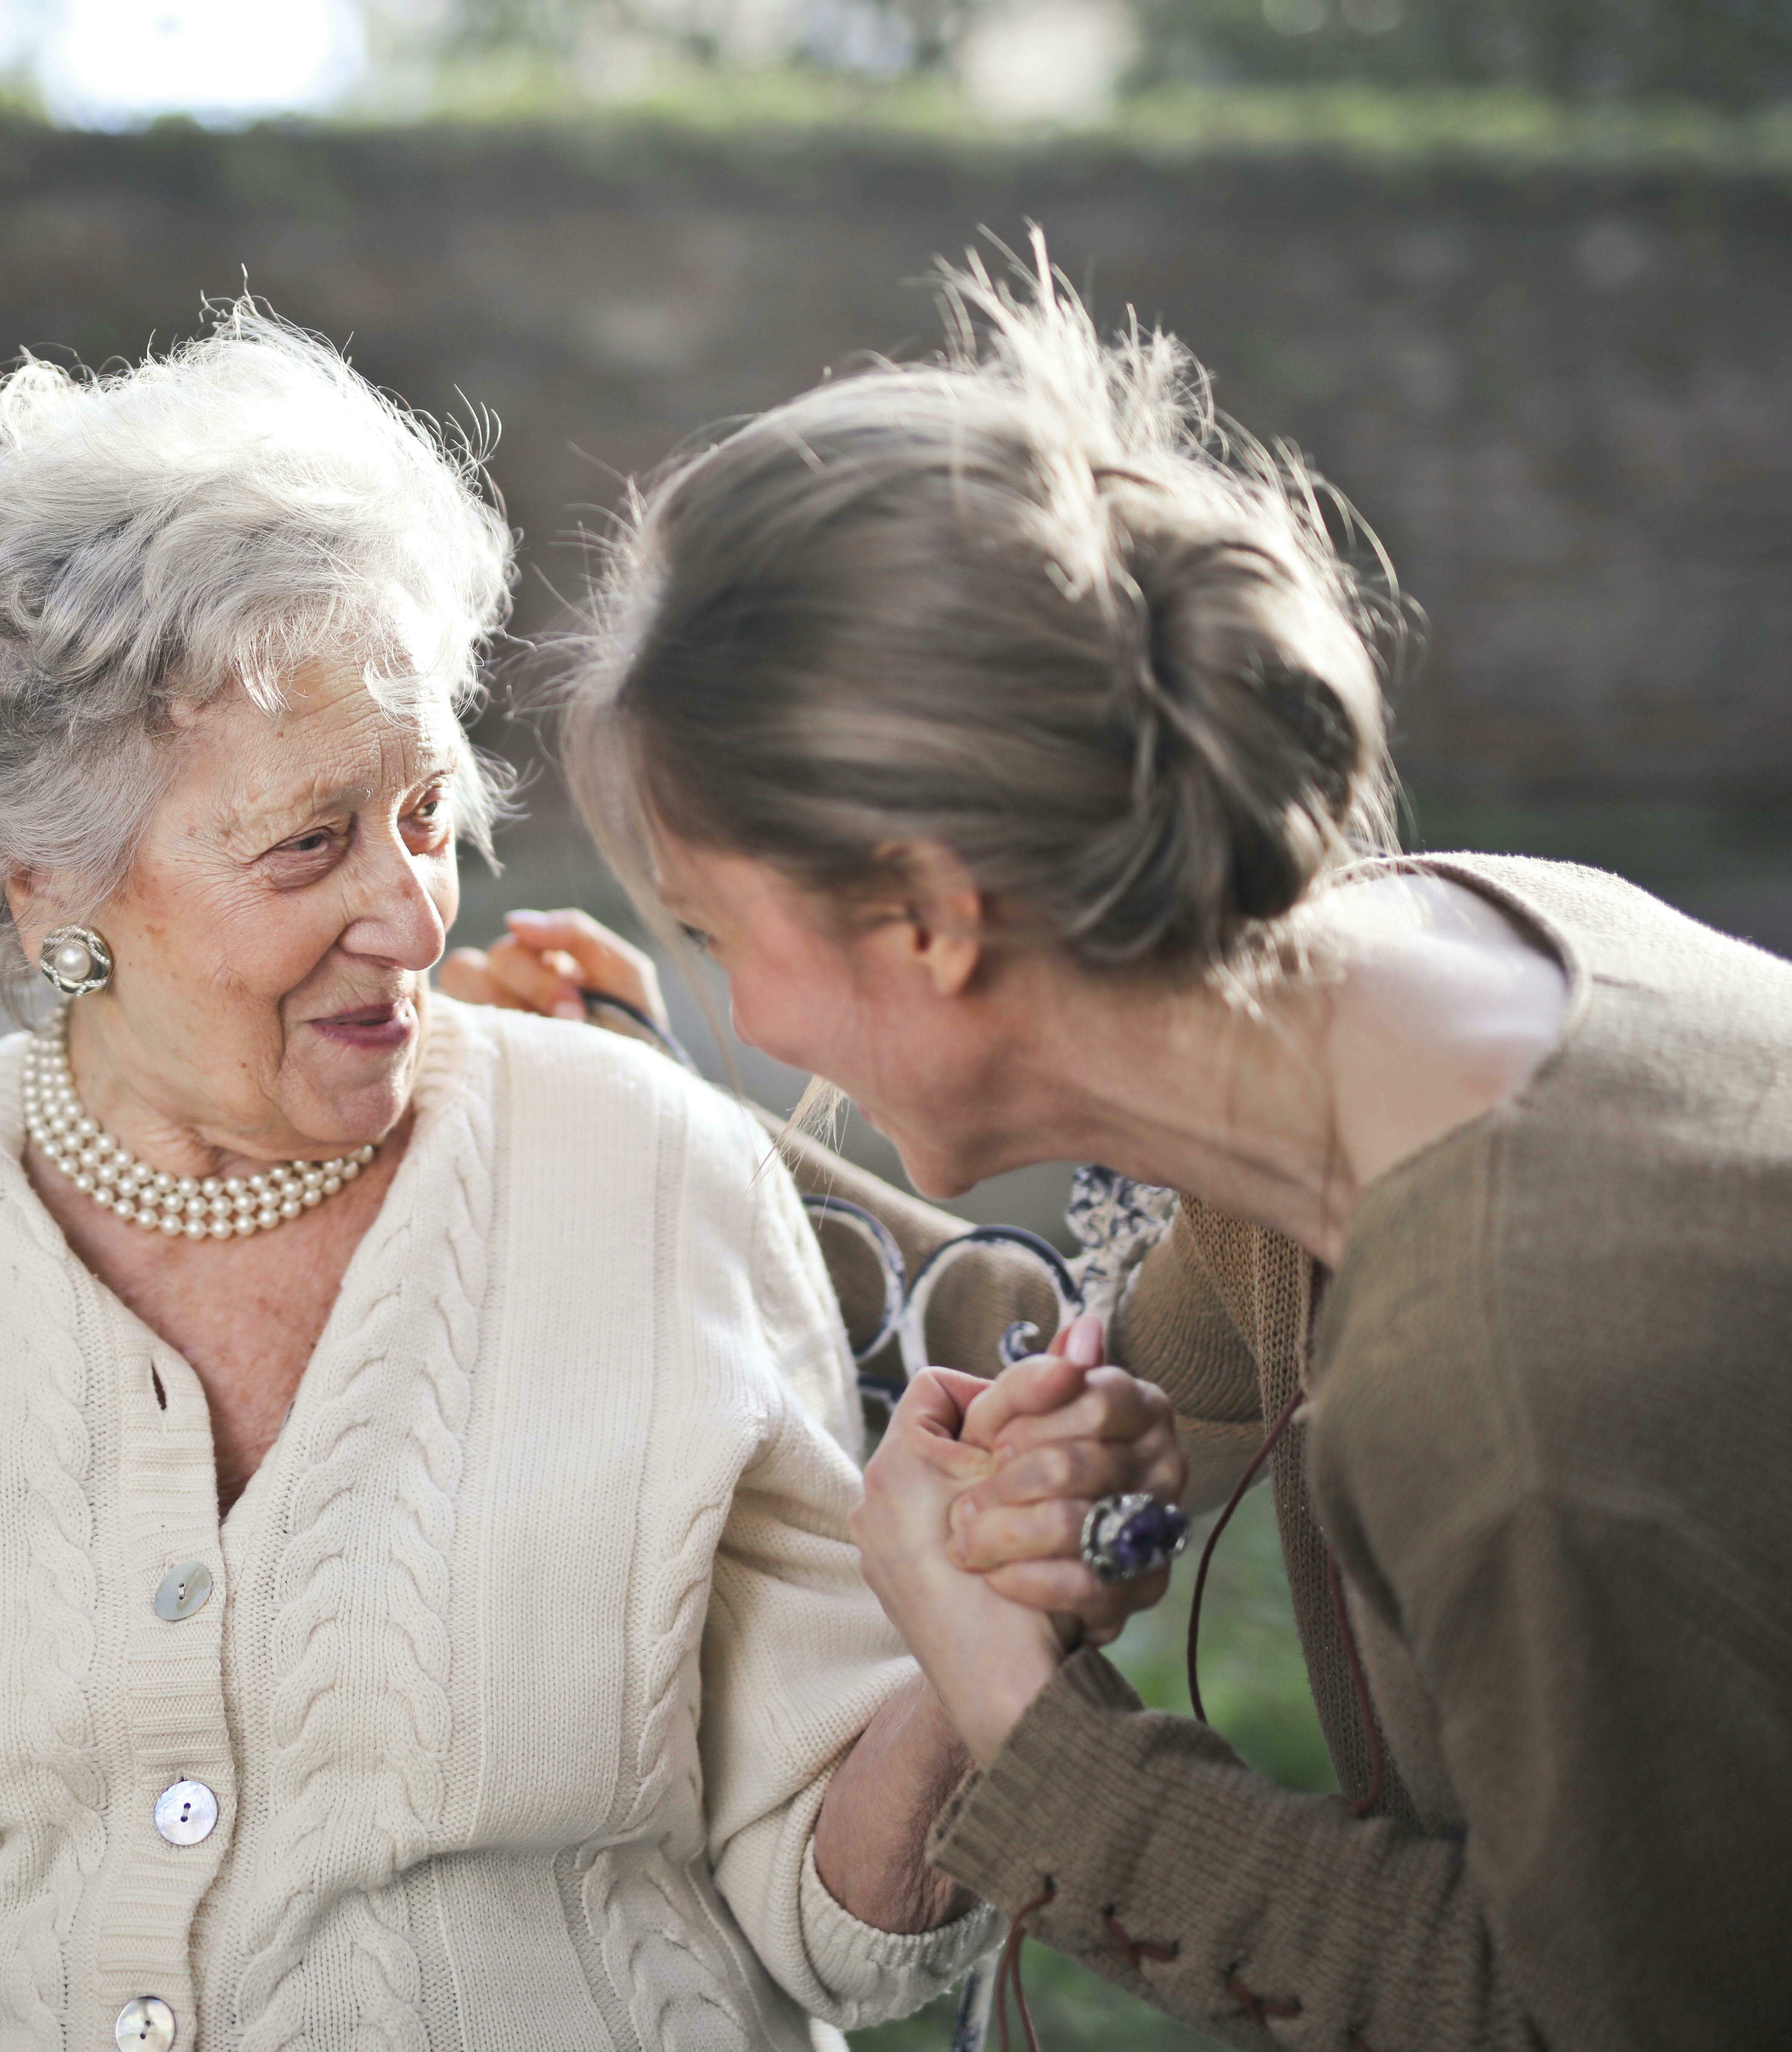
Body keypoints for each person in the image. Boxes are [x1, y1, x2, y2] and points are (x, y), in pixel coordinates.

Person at [0, 306, 1184, 2052]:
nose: (410, 910)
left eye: (427, 814)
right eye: (309, 842)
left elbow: (840, 1923)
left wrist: (969, 1652)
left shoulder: (647, 1173)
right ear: (49, 889)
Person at [517, 242, 1792, 2050]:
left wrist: (1036, 1741)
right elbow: (1114, 1358)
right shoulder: (1431, 968)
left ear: (932, 921)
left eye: (719, 939)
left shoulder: (1511, 1385)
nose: (757, 1020)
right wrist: (625, 1093)